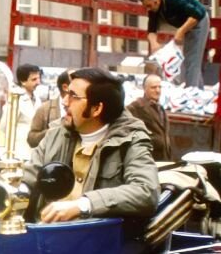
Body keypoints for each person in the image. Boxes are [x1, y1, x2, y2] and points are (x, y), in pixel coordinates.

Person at [24, 67, 159, 223]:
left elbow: (146, 191)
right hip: (44, 233)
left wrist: (83, 205)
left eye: (73, 96)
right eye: (66, 93)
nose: (65, 101)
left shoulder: (130, 139)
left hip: (96, 236)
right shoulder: (56, 133)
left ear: (96, 109)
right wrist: (16, 190)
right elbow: (29, 175)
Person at [139, 0, 209, 89]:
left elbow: (198, 13)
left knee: (192, 60)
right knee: (187, 60)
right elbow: (151, 29)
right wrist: (154, 43)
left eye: (149, 5)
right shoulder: (153, 8)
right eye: (146, 6)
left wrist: (181, 31)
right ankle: (199, 92)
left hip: (198, 22)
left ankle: (191, 92)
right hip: (185, 24)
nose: (148, 9)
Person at [0, 63, 43, 160]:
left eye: (38, 78)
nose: (38, 82)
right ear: (23, 81)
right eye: (34, 79)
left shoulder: (37, 98)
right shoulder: (15, 99)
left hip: (34, 150)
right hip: (19, 152)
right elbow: (4, 126)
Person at [127, 74, 172, 161]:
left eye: (159, 87)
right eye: (153, 87)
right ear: (145, 88)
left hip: (163, 160)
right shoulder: (136, 107)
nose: (158, 90)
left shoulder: (160, 108)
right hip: (146, 160)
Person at [28, 71, 70, 148]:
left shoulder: (81, 108)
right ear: (65, 87)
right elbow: (31, 139)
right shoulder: (45, 108)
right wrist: (51, 132)